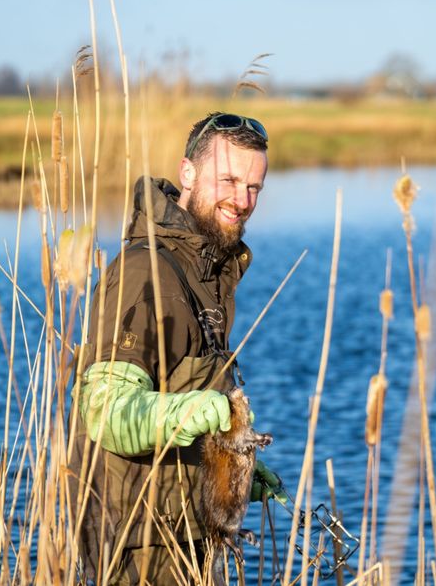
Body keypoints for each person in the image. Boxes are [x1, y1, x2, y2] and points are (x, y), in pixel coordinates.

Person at [72, 112, 285, 585]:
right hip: (138, 548)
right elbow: (105, 412)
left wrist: (235, 463)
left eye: (254, 188)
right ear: (187, 173)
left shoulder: (206, 273)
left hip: (187, 539)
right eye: (229, 180)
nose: (242, 200)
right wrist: (195, 410)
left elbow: (180, 392)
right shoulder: (143, 272)